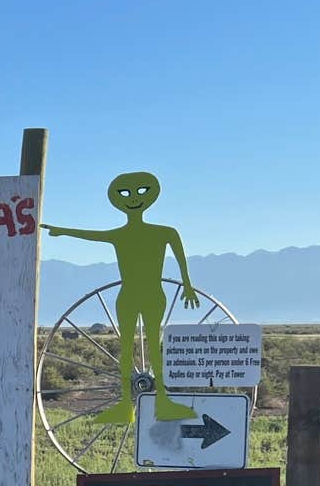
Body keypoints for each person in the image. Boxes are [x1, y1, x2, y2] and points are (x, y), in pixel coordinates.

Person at [43, 170, 201, 423]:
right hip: (128, 297)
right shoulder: (119, 234)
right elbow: (91, 235)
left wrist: (188, 285)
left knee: (154, 347)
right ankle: (125, 407)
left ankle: (163, 403)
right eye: (125, 193)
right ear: (116, 200)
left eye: (141, 192)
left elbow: (181, 258)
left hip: (151, 295)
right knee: (126, 348)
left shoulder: (165, 232)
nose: (134, 198)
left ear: (152, 195)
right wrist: (61, 230)